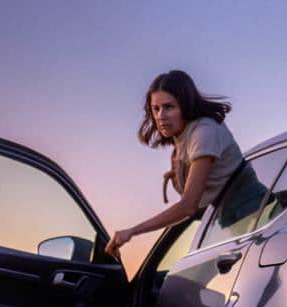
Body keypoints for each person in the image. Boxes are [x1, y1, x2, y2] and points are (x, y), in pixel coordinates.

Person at [104, 70, 244, 262]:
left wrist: (133, 231)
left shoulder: (204, 132)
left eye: (169, 107)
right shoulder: (183, 139)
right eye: (156, 109)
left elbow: (188, 207)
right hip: (233, 229)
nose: (161, 116)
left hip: (256, 220)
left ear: (185, 106)